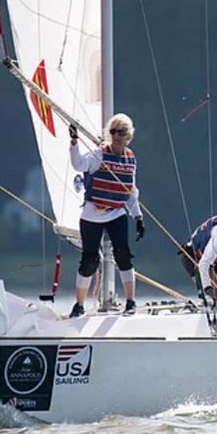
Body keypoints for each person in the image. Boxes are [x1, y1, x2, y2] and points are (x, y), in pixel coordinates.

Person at [68, 114, 144, 318]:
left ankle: (130, 302)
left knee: (123, 255)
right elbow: (79, 165)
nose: (116, 136)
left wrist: (138, 217)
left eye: (121, 132)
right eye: (112, 132)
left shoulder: (130, 158)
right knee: (90, 261)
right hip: (93, 213)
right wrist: (74, 142)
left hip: (116, 212)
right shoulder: (100, 154)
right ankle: (79, 305)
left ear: (129, 135)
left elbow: (130, 192)